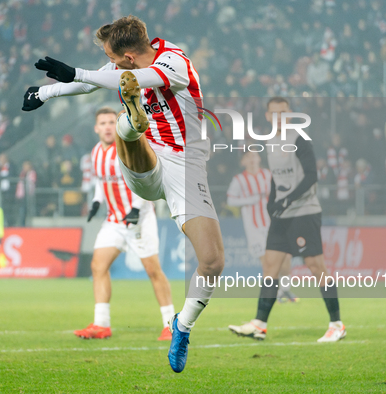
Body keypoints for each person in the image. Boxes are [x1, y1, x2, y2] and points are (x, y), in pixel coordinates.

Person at [23, 15, 224, 373]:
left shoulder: (174, 61)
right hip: (147, 160)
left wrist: (76, 71)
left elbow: (138, 78)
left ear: (129, 55)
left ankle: (181, 326)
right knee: (129, 130)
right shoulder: (124, 67)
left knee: (212, 261)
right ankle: (130, 122)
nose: (110, 62)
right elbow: (90, 85)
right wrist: (44, 92)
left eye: (113, 58)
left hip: (187, 166)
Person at [228, 97, 345, 343]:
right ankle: (259, 324)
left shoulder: (299, 139)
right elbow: (275, 178)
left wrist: (288, 199)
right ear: (268, 117)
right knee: (270, 266)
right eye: (274, 113)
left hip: (304, 212)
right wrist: (273, 202)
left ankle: (337, 324)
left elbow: (312, 175)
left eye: (284, 112)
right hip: (282, 214)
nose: (279, 117)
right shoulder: (270, 141)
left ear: (290, 114)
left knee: (316, 267)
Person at [74, 107, 175, 341]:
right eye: (103, 123)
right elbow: (101, 180)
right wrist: (97, 202)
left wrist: (135, 209)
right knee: (98, 266)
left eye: (112, 122)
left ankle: (171, 325)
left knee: (153, 271)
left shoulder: (128, 147)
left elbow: (145, 179)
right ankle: (101, 324)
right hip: (114, 221)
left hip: (139, 219)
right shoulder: (96, 152)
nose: (108, 127)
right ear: (96, 128)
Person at [226, 151, 298, 303]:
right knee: (268, 263)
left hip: (274, 223)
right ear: (243, 162)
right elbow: (231, 201)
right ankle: (274, 294)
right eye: (248, 157)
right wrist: (250, 199)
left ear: (259, 158)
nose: (252, 159)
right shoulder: (239, 180)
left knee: (286, 258)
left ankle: (285, 290)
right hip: (254, 228)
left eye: (254, 156)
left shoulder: (268, 175)